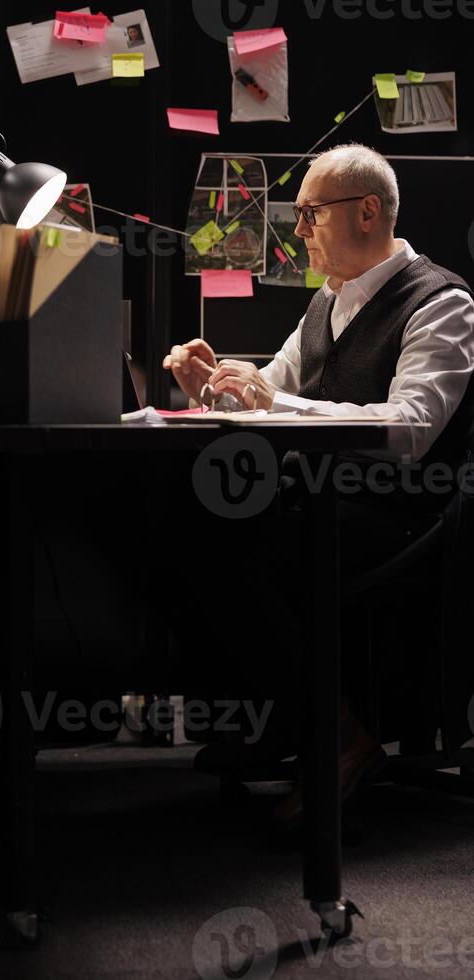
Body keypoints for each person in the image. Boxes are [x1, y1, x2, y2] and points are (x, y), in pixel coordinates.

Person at [163, 143, 474, 823]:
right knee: (179, 518)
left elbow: (411, 427)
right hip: (326, 500)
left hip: (401, 518)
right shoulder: (325, 302)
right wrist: (213, 388)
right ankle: (301, 719)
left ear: (367, 212)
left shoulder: (442, 301)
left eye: (309, 214)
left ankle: (331, 735)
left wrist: (270, 402)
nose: (297, 230)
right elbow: (268, 393)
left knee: (227, 541)